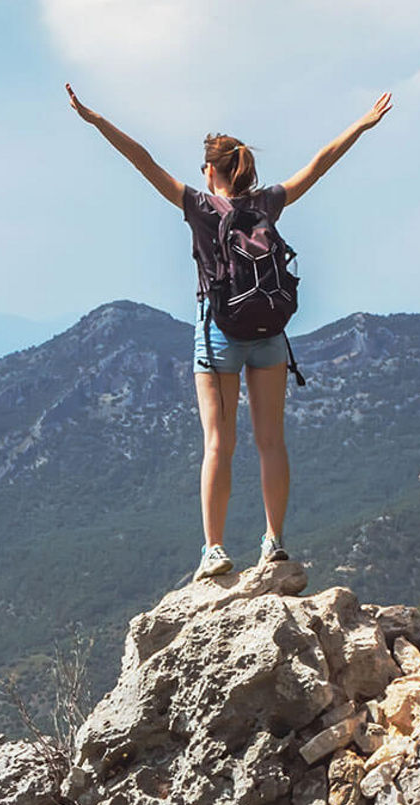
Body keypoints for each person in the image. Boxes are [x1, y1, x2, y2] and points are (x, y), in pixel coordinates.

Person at [67, 83, 392, 578]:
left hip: (219, 334)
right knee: (271, 442)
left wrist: (96, 121)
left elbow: (143, 160)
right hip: (270, 333)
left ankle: (214, 550)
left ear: (210, 171)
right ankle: (274, 541)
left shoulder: (198, 206)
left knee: (219, 443)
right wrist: (361, 125)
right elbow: (320, 163)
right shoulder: (267, 203)